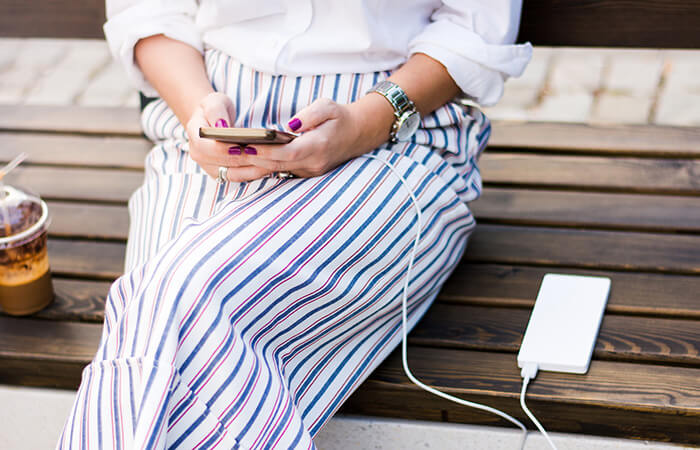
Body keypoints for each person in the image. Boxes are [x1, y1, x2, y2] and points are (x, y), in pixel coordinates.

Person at [58, 1, 531, 448]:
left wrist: (362, 124)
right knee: (155, 308)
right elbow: (149, 9)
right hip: (210, 127)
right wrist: (197, 112)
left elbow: (473, 24)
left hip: (389, 133)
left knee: (176, 298)